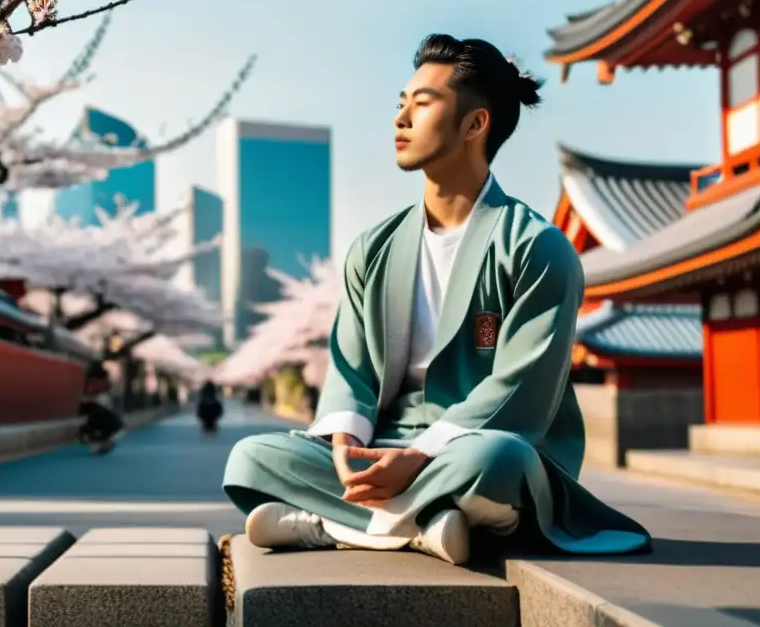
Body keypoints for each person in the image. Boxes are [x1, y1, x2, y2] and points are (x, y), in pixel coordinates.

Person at [222, 34, 651, 564]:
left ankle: (327, 523)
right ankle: (429, 526)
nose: (401, 118)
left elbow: (520, 389)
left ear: (476, 124)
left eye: (422, 104)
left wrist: (420, 455)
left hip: (474, 443)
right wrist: (344, 449)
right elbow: (350, 373)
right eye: (400, 103)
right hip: (382, 442)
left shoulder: (537, 249)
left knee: (497, 462)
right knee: (249, 456)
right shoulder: (372, 249)